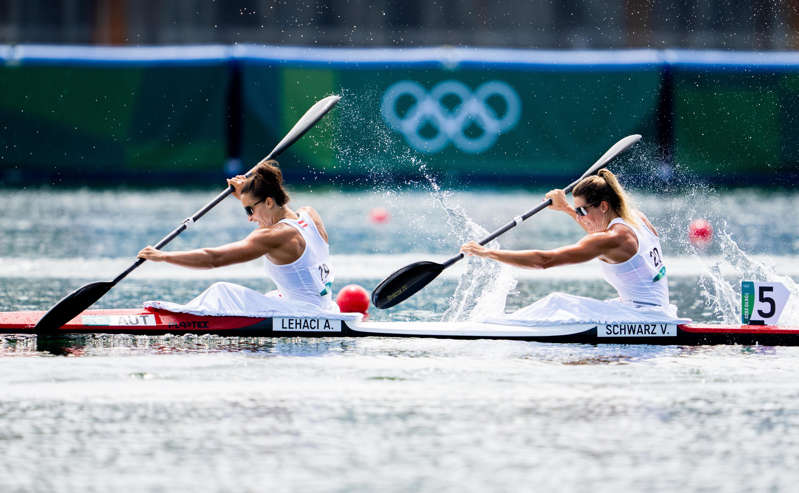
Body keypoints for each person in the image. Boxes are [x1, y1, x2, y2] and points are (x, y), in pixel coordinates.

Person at [461, 169, 676, 318]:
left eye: (582, 210)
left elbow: (545, 261)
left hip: (642, 318)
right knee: (566, 306)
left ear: (603, 206)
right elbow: (596, 230)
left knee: (558, 302)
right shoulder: (637, 219)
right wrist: (565, 208)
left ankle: (497, 328)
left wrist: (488, 253)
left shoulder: (613, 238)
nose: (580, 215)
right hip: (654, 311)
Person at [137, 159, 341, 316]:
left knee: (222, 291)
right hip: (324, 308)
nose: (251, 218)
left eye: (250, 210)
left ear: (269, 202)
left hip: (304, 314)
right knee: (265, 297)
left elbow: (213, 259)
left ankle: (178, 320)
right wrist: (247, 197)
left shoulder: (272, 236)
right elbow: (275, 217)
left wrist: (163, 256)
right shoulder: (310, 214)